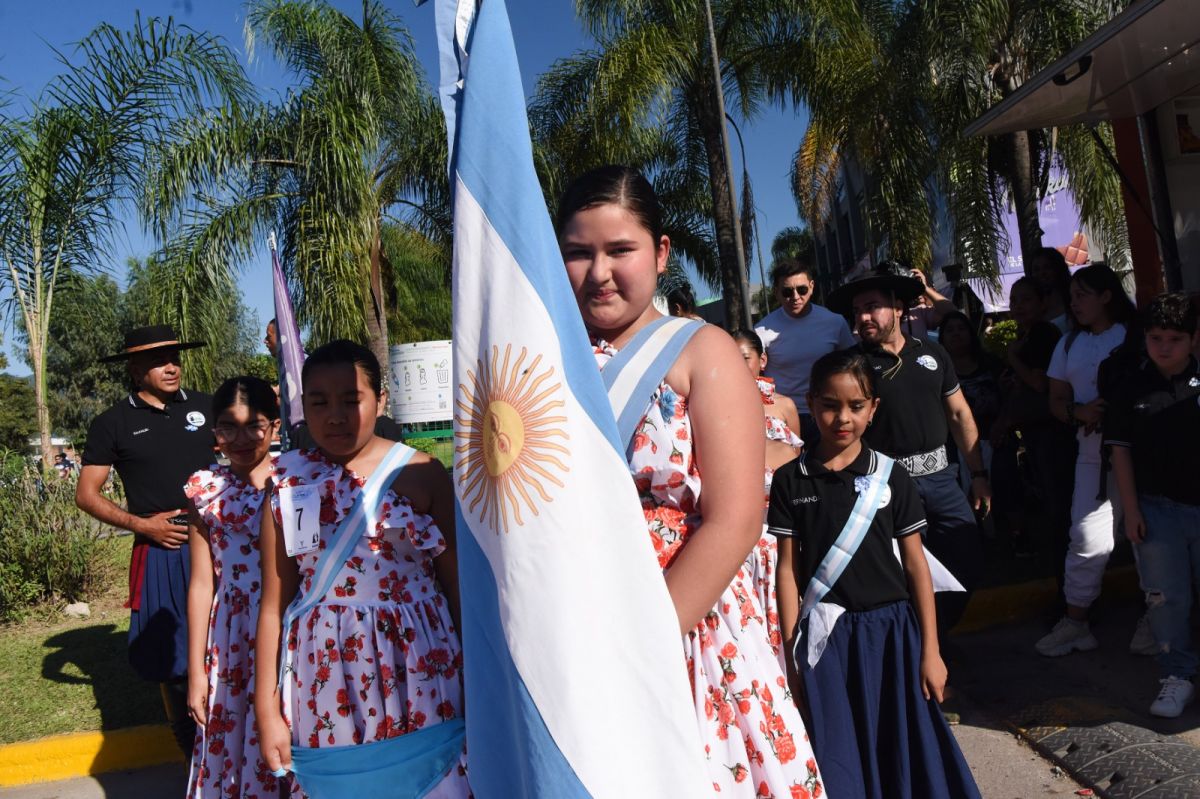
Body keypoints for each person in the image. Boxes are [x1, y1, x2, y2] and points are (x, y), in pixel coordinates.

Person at [557, 165, 824, 798]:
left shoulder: (699, 351)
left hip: (681, 622)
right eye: (578, 253)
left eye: (620, 250)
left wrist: (642, 646)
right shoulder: (545, 357)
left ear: (661, 252)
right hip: (570, 619)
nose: (599, 272)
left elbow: (735, 518)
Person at [255, 340, 468, 797]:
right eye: (319, 402)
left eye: (351, 400)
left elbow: (458, 589)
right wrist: (267, 711)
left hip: (418, 664)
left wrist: (477, 675)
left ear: (380, 401)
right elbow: (273, 605)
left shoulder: (424, 473)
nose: (335, 415)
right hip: (324, 672)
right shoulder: (285, 484)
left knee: (430, 777)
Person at [770, 350, 981, 799]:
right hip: (828, 639)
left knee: (903, 747)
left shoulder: (891, 477)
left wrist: (932, 650)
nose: (841, 417)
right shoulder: (791, 480)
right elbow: (787, 572)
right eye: (829, 404)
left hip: (893, 636)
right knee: (838, 754)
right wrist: (791, 654)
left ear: (873, 409)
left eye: (856, 406)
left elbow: (916, 566)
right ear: (810, 402)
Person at [76, 325, 213, 757]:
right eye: (158, 361)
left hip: (218, 544)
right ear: (135, 371)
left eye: (174, 357)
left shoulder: (209, 408)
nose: (170, 366)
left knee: (225, 648)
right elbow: (86, 495)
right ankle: (191, 756)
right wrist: (143, 525)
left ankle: (234, 748)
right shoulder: (112, 423)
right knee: (173, 662)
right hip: (163, 549)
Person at [828, 270, 989, 633]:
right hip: (885, 490)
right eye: (857, 311)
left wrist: (979, 476)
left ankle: (936, 637)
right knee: (902, 576)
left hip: (943, 482)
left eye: (872, 307)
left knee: (969, 559)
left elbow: (960, 414)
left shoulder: (933, 354)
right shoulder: (852, 366)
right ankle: (923, 654)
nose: (863, 318)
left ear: (898, 308)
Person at [184, 377, 298, 798]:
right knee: (235, 737)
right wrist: (196, 670)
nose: (241, 438)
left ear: (275, 426)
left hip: (291, 625)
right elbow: (201, 584)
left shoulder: (296, 483)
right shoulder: (205, 491)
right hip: (232, 635)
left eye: (255, 425)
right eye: (227, 427)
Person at [1036, 263, 1139, 657]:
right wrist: (1078, 412)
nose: (1074, 304)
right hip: (1091, 455)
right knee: (1084, 536)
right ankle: (1076, 621)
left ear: (1106, 296)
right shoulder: (1067, 344)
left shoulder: (1133, 336)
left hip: (1139, 453)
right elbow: (1056, 400)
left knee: (1146, 535)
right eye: (1073, 297)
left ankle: (1156, 619)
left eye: (1083, 295)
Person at [1106, 293, 1200, 717]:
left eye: (1175, 338)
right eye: (1156, 337)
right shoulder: (1130, 386)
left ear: (1194, 340)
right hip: (1156, 510)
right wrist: (1132, 511)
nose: (1164, 346)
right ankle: (1176, 676)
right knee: (1166, 598)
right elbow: (1120, 452)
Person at [992, 277, 1075, 563]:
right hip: (1033, 430)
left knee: (1057, 502)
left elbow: (1040, 384)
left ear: (1042, 303)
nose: (1018, 306)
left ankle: (1066, 563)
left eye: (1026, 299)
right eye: (1014, 301)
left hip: (1050, 430)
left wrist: (1014, 358)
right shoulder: (1024, 335)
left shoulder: (1043, 333)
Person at [732, 327, 804, 659]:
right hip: (745, 535)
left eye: (743, 358)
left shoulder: (786, 406)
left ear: (761, 360)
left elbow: (800, 469)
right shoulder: (719, 409)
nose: (735, 365)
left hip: (786, 532)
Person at [755, 258, 856, 446]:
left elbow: (852, 366)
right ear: (776, 292)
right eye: (787, 292)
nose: (795, 297)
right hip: (783, 417)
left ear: (811, 286)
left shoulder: (834, 322)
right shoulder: (761, 331)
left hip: (827, 413)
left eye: (801, 290)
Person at [937, 312, 1004, 504]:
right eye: (950, 330)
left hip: (996, 440)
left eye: (961, 328)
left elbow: (1008, 399)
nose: (956, 334)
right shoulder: (938, 373)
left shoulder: (991, 364)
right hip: (955, 448)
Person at [1029, 247, 1073, 333]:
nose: (1042, 273)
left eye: (1047, 267)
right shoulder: (1030, 308)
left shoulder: (1074, 301)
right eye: (1036, 269)